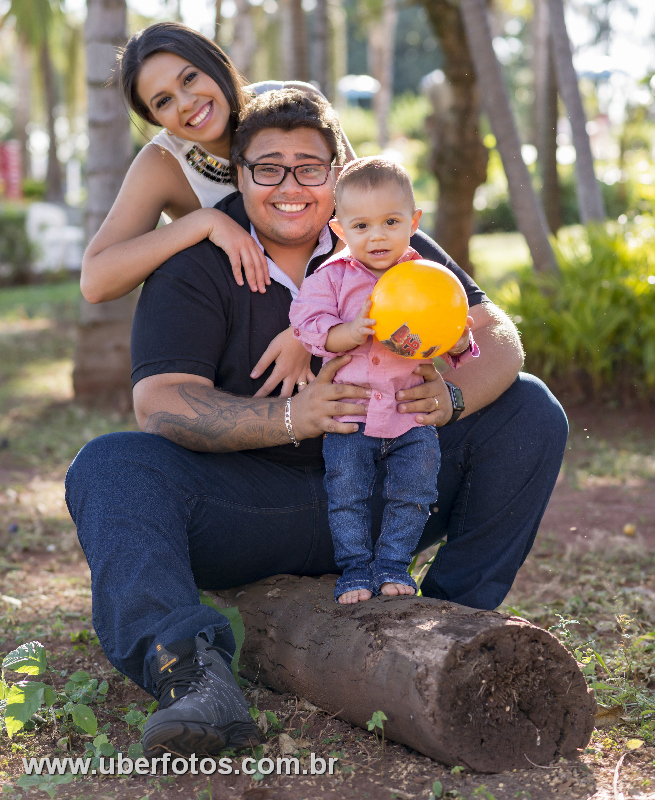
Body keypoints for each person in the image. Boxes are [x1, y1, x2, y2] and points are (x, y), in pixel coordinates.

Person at [66, 89, 568, 760]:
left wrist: (448, 398)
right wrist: (290, 416)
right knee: (109, 465)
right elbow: (160, 403)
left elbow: (494, 332)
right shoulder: (196, 266)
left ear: (337, 173)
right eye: (267, 167)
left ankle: (453, 619)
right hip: (253, 511)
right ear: (238, 175)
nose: (289, 185)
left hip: (390, 489)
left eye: (309, 166)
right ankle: (192, 676)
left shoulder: (387, 241)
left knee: (530, 407)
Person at [81, 21, 353, 391]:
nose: (186, 103)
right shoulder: (163, 163)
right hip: (244, 347)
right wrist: (204, 222)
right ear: (154, 118)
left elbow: (362, 213)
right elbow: (96, 281)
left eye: (189, 78)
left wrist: (308, 330)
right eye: (163, 101)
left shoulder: (293, 104)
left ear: (215, 63)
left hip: (341, 320)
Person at [290, 157, 479, 604]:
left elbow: (452, 339)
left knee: (414, 493)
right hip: (351, 416)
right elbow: (306, 324)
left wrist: (456, 339)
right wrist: (346, 332)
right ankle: (355, 569)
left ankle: (394, 564)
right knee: (347, 495)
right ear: (340, 229)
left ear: (413, 222)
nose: (377, 236)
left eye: (391, 222)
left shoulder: (427, 279)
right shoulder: (331, 278)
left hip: (410, 417)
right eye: (361, 226)